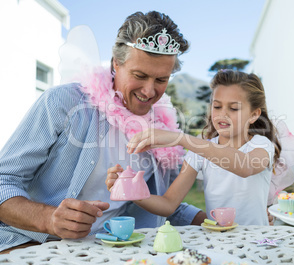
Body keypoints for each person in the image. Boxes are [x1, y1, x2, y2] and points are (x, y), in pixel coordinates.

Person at [0, 11, 206, 252]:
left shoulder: (163, 131)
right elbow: (4, 181)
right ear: (115, 64)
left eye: (161, 79)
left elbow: (167, 202)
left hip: (114, 250)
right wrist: (48, 219)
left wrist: (216, 222)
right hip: (34, 243)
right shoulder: (62, 102)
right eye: (140, 76)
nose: (150, 91)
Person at [106, 70, 282, 225]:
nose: (223, 114)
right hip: (219, 243)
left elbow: (245, 166)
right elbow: (168, 204)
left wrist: (182, 139)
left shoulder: (261, 144)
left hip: (256, 242)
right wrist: (129, 191)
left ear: (254, 115)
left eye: (234, 108)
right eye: (217, 106)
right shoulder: (199, 151)